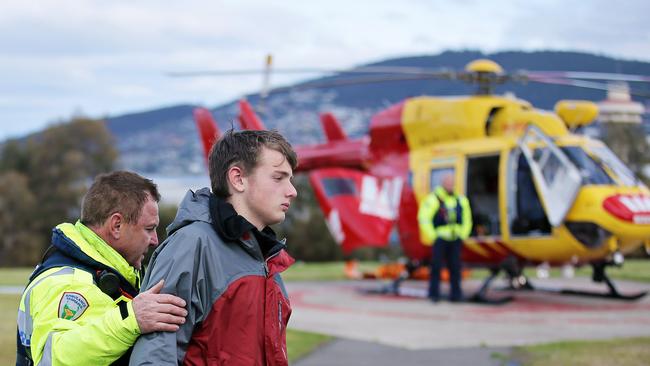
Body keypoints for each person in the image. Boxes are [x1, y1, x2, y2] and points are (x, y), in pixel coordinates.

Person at [129, 129, 298, 365]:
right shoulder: (191, 246)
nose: (292, 191)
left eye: (290, 179)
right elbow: (154, 354)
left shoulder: (267, 262)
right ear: (238, 178)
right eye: (278, 178)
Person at [16, 171, 188, 366]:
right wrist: (131, 320)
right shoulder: (67, 282)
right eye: (149, 229)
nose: (155, 240)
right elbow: (55, 358)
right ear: (116, 225)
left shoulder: (112, 272)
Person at [417, 173, 472, 302]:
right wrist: (433, 236)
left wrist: (463, 234)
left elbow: (467, 218)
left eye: (451, 182)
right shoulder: (434, 199)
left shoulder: (460, 199)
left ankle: (456, 295)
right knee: (436, 267)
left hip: (455, 239)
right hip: (440, 239)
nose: (449, 185)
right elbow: (424, 218)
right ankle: (434, 294)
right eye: (447, 182)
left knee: (455, 268)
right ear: (442, 183)